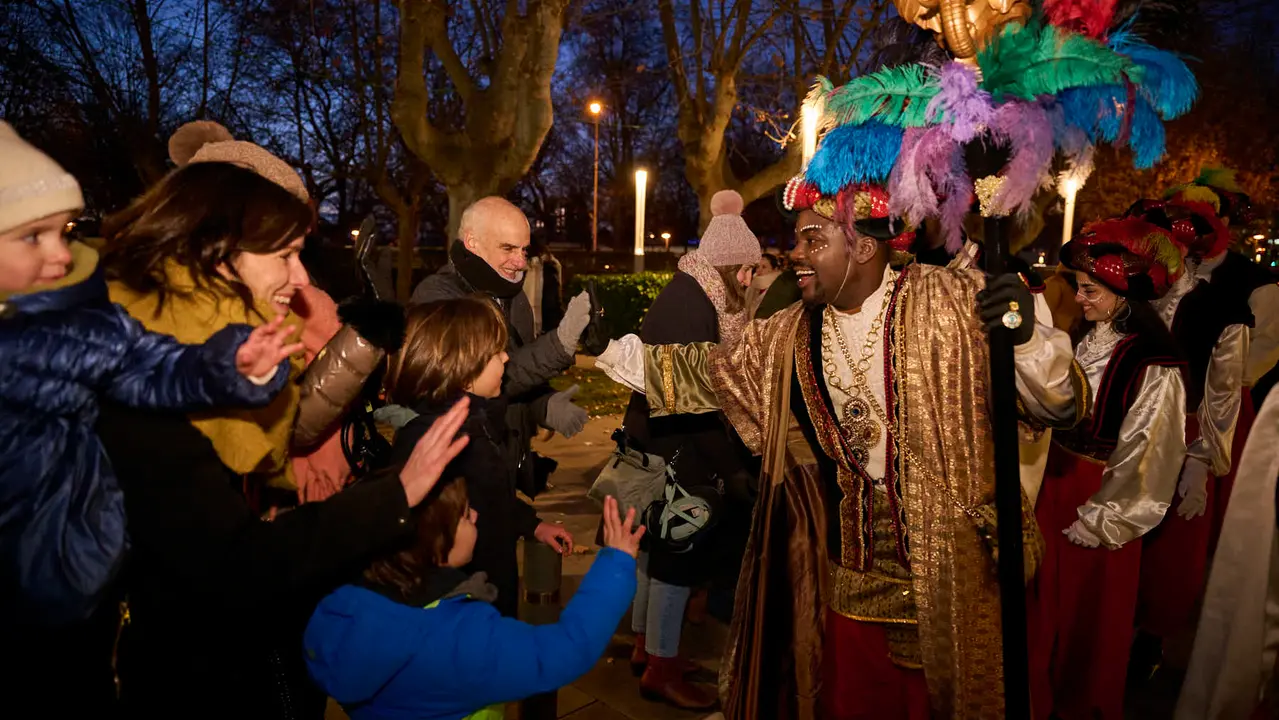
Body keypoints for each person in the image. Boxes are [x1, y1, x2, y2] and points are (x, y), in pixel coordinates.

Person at [600, 176, 1082, 719]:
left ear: (864, 246)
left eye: (813, 239)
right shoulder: (788, 332)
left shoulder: (954, 301)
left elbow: (1056, 407)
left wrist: (1023, 334)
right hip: (855, 585)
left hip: (963, 580)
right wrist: (630, 361)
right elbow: (720, 374)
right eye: (798, 240)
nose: (796, 255)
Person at [0, 122, 298, 708]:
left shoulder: (85, 322)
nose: (62, 251)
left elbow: (154, 367)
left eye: (61, 231)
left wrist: (234, 366)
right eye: (32, 237)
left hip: (75, 580)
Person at [1026, 216, 1190, 720]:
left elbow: (1151, 451)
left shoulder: (1154, 361)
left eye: (1090, 289)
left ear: (1125, 295)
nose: (1079, 298)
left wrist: (1106, 518)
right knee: (1043, 610)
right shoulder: (1088, 337)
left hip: (1100, 499)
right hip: (1054, 485)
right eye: (1079, 287)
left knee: (1088, 621)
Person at [305, 482, 642, 720]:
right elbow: (562, 652)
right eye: (465, 515)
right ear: (436, 544)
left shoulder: (341, 608)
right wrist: (615, 565)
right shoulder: (460, 637)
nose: (477, 516)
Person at [623, 189, 759, 710]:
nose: (748, 281)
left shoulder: (693, 293)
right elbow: (689, 405)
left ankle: (646, 646)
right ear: (725, 265)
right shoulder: (688, 306)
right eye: (744, 271)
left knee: (656, 552)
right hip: (678, 451)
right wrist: (730, 467)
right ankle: (660, 666)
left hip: (664, 444)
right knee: (675, 561)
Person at [1122, 196, 1253, 676]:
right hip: (1128, 431)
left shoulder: (1222, 308)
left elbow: (1223, 393)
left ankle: (1151, 642)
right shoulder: (1133, 296)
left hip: (1185, 434)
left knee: (1170, 552)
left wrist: (1201, 462)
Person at [383, 297, 573, 618]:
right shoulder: (444, 440)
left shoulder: (472, 423)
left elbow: (489, 498)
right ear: (464, 371)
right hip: (467, 606)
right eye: (495, 353)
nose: (506, 358)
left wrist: (531, 524)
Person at [410, 197, 593, 499]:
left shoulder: (513, 296)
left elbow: (508, 379)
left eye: (523, 250)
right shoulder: (438, 298)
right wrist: (558, 345)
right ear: (471, 242)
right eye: (507, 248)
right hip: (457, 479)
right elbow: (474, 379)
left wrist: (540, 406)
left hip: (503, 470)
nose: (521, 262)